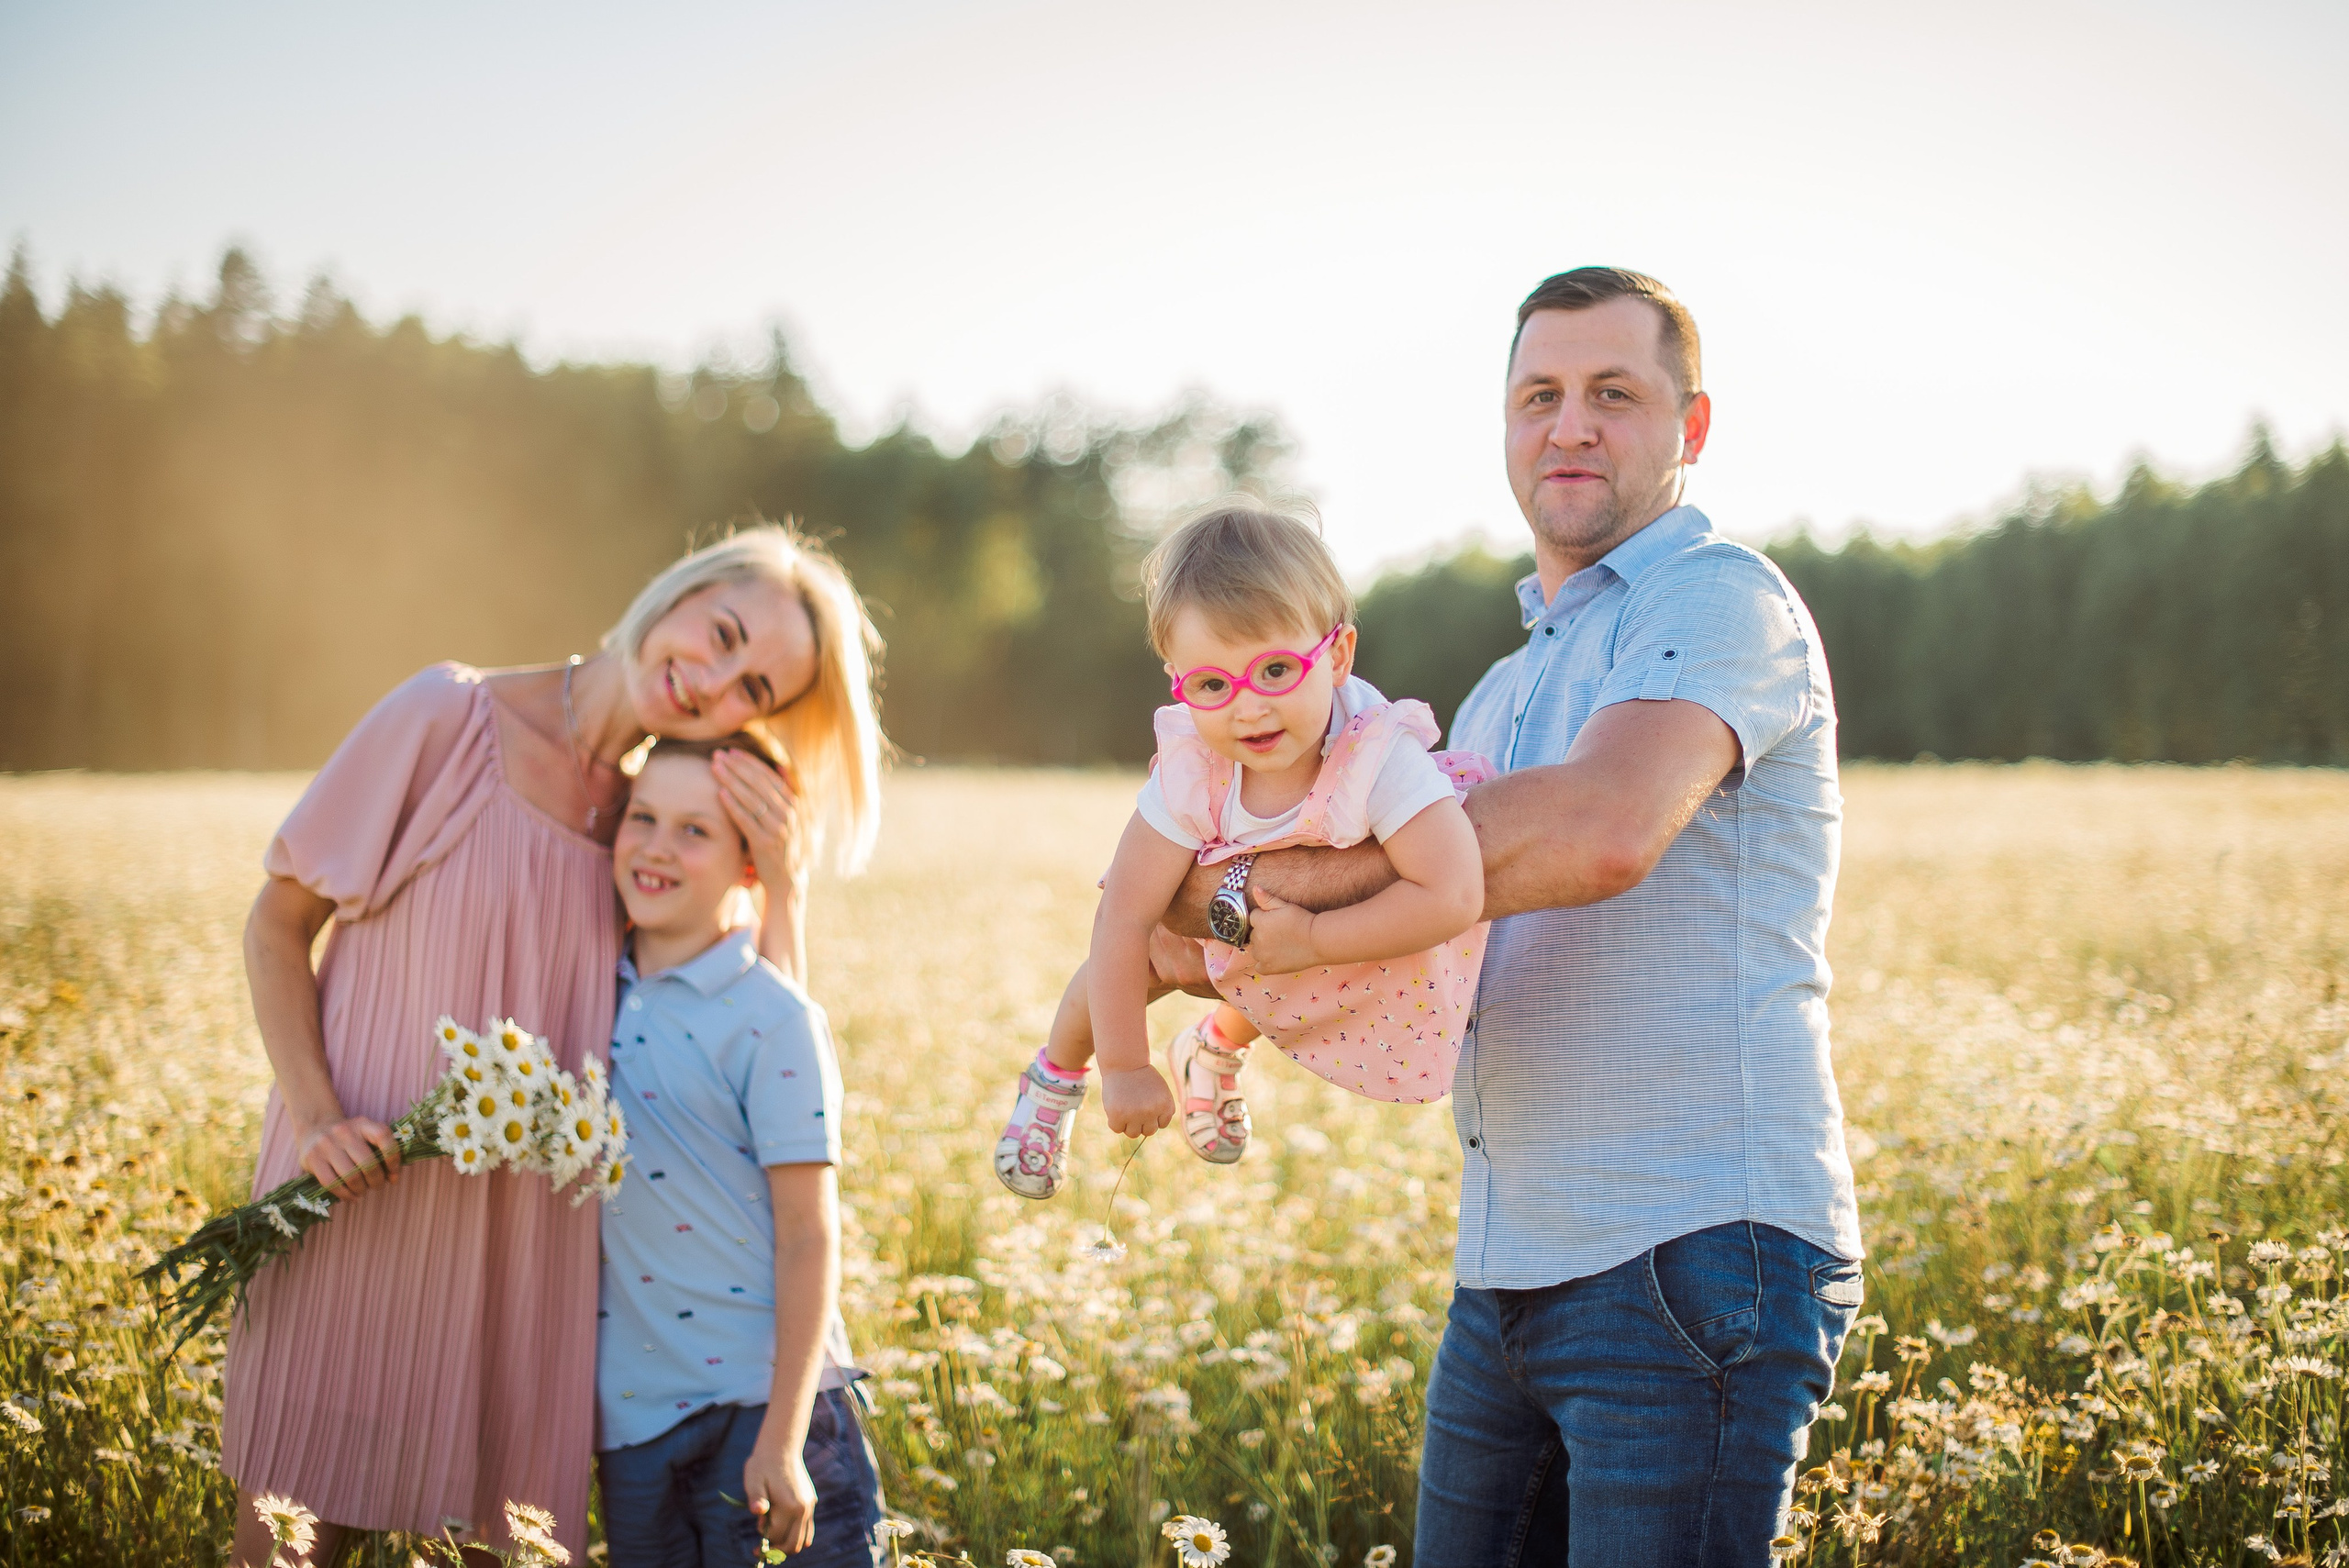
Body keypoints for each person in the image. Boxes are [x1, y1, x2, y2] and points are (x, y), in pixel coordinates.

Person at [1156, 270, 1865, 1564]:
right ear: (1503, 427)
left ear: (1692, 428)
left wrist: (1243, 896)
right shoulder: (1490, 700)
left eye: (1615, 394)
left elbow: (1600, 829)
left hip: (1691, 1250)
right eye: (1540, 395)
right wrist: (1188, 949)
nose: (1571, 426)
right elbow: (1393, 933)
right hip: (1509, 1273)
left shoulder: (1717, 599)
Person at [221, 524, 886, 1568]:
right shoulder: (447, 715)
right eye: (718, 632)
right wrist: (315, 1118)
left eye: (752, 687)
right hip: (353, 1193)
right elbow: (274, 925)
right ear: (679, 590)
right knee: (289, 1541)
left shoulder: (645, 822)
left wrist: (785, 886)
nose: (712, 679)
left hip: (530, 1257)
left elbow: (750, 1036)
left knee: (514, 1543)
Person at [995, 501, 1488, 1200]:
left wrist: (1317, 937)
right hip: (1232, 914)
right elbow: (1124, 917)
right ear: (1178, 679)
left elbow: (1453, 892)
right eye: (1211, 685)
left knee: (1313, 951)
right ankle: (1054, 1079)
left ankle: (1212, 1046)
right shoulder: (1196, 767)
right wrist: (1126, 1066)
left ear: (1338, 654)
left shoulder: (1376, 756)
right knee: (1138, 959)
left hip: (1326, 928)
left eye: (1278, 671)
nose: (1247, 708)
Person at [596, 734, 884, 1567]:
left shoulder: (773, 1014)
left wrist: (783, 1439)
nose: (655, 845)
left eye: (695, 831)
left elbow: (808, 1233)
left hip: (770, 1414)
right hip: (635, 1422)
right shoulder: (587, 990)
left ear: (747, 864)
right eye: (643, 817)